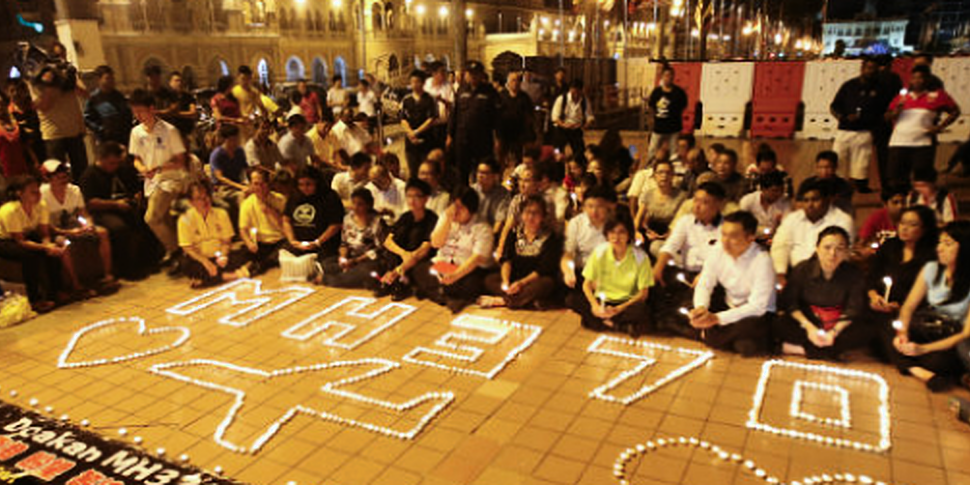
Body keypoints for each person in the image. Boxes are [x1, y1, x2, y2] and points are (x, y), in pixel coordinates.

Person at [891, 221, 970, 392]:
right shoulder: (932, 269)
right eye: (940, 242)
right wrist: (902, 334)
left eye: (948, 243)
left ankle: (913, 365)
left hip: (951, 340)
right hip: (927, 327)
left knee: (940, 361)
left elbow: (965, 333)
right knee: (889, 329)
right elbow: (908, 307)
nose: (940, 248)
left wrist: (922, 349)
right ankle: (922, 373)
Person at [773, 226, 869, 360]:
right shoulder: (803, 269)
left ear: (847, 251)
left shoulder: (854, 274)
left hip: (838, 323)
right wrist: (809, 328)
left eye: (839, 248)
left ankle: (796, 349)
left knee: (864, 331)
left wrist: (834, 332)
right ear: (817, 248)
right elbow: (791, 304)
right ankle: (822, 351)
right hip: (808, 321)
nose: (832, 254)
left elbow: (853, 309)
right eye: (827, 247)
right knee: (778, 323)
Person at [690, 211, 776, 356]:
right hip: (728, 304)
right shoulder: (718, 249)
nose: (725, 241)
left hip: (754, 314)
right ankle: (719, 335)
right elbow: (705, 284)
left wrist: (717, 318)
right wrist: (701, 308)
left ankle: (711, 334)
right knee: (689, 305)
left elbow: (758, 306)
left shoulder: (762, 261)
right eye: (723, 234)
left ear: (750, 238)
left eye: (733, 236)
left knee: (749, 330)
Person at [652, 182, 726, 336]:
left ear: (719, 204)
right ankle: (674, 322)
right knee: (655, 284)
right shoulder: (686, 221)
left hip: (712, 278)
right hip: (685, 273)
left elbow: (724, 257)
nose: (698, 206)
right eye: (696, 200)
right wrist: (658, 268)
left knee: (692, 306)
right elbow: (671, 245)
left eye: (704, 202)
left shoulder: (726, 227)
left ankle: (687, 327)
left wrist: (705, 275)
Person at [129, 89, 189, 272]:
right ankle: (183, 255)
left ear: (152, 108)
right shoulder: (136, 132)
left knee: (152, 217)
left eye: (141, 111)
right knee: (164, 219)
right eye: (135, 111)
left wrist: (159, 168)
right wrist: (143, 169)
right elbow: (136, 159)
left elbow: (180, 161)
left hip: (172, 179)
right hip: (151, 182)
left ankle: (176, 251)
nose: (138, 115)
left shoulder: (169, 130)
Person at [870, 206, 939, 361]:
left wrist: (900, 307)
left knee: (893, 331)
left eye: (912, 224)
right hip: (881, 306)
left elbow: (928, 295)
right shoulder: (889, 246)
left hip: (913, 311)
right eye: (902, 223)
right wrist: (874, 297)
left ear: (925, 228)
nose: (904, 228)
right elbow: (872, 277)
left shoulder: (931, 255)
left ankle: (906, 362)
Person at [79, 142, 157, 279]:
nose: (115, 166)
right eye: (111, 163)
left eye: (117, 163)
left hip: (125, 206)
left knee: (147, 218)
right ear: (101, 159)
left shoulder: (121, 169)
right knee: (119, 229)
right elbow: (90, 203)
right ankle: (126, 268)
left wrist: (137, 196)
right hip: (103, 212)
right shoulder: (89, 175)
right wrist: (115, 204)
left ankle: (150, 259)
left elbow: (135, 187)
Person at [0, 176, 78, 312]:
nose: (38, 195)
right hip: (6, 240)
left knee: (53, 251)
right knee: (29, 256)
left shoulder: (41, 205)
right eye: (33, 192)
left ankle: (56, 292)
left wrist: (48, 245)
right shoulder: (10, 210)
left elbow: (44, 231)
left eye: (38, 191)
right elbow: (20, 241)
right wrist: (44, 247)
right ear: (20, 193)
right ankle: (35, 299)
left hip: (28, 234)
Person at [40, 160, 117, 292]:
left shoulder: (74, 190)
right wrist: (68, 233)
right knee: (64, 243)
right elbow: (46, 226)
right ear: (48, 178)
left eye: (65, 176)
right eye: (58, 177)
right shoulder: (42, 194)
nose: (63, 180)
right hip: (56, 230)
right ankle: (76, 284)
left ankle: (107, 275)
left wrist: (89, 225)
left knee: (102, 233)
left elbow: (84, 214)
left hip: (74, 225)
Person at [412, 188, 493, 313]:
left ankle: (439, 293)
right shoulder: (447, 217)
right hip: (443, 265)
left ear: (471, 209)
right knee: (419, 270)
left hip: (465, 269)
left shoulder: (483, 228)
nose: (455, 211)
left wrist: (455, 276)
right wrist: (448, 220)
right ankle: (446, 295)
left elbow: (476, 259)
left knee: (471, 284)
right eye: (453, 206)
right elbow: (435, 243)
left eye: (460, 208)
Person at [573, 211, 653, 335]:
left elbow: (643, 294)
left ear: (629, 234)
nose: (616, 237)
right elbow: (586, 285)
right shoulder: (600, 252)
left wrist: (619, 308)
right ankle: (617, 325)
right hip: (602, 301)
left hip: (625, 303)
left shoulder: (640, 257)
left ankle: (603, 322)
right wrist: (595, 306)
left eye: (621, 232)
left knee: (642, 309)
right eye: (612, 232)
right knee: (572, 300)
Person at [480, 195, 562, 310]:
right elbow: (506, 260)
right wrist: (506, 281)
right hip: (514, 277)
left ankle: (504, 300)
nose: (531, 217)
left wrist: (521, 283)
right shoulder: (514, 233)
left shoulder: (550, 237)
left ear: (543, 216)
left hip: (533, 280)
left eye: (535, 213)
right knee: (490, 280)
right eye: (527, 212)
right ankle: (526, 301)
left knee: (546, 284)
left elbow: (544, 269)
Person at [771, 180, 854, 287]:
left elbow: (839, 253)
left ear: (827, 200)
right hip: (793, 276)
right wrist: (780, 274)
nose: (810, 205)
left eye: (815, 200)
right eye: (806, 200)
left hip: (830, 277)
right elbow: (780, 246)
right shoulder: (792, 219)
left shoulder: (842, 220)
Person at [887, 65, 960, 182]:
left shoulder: (938, 95)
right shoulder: (902, 97)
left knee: (922, 177)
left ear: (927, 79)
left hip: (922, 143)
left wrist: (940, 126)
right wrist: (895, 112)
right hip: (898, 142)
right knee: (896, 177)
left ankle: (922, 199)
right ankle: (900, 198)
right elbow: (887, 116)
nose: (916, 81)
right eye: (913, 78)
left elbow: (955, 111)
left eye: (920, 78)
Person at [376, 178, 438, 301]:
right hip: (405, 256)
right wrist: (403, 253)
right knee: (389, 252)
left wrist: (400, 268)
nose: (412, 200)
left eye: (417, 196)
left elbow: (424, 250)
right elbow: (388, 241)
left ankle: (398, 282)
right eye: (409, 196)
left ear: (426, 198)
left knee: (418, 267)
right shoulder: (406, 217)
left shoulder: (432, 219)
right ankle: (394, 281)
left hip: (420, 259)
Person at [178, 181, 248, 288]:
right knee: (185, 264)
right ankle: (228, 276)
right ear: (191, 202)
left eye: (206, 196)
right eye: (199, 198)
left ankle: (207, 280)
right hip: (201, 260)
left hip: (220, 257)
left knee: (242, 254)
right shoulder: (184, 220)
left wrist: (223, 256)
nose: (205, 201)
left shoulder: (221, 213)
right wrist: (205, 262)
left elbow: (226, 241)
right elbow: (188, 248)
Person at [29, 55, 88, 181]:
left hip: (74, 131)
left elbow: (85, 93)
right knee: (57, 174)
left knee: (82, 173)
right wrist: (52, 84)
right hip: (53, 134)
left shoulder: (68, 76)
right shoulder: (36, 81)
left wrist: (70, 78)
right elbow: (44, 106)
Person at [830, 58, 882, 193]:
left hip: (865, 131)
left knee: (862, 161)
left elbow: (882, 110)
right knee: (839, 158)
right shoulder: (849, 86)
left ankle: (860, 185)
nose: (871, 71)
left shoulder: (880, 88)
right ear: (862, 68)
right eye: (868, 68)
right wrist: (843, 117)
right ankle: (838, 185)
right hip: (845, 130)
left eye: (874, 69)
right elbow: (834, 106)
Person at [321, 188, 386, 289]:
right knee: (326, 263)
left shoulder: (377, 222)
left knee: (368, 271)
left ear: (368, 205)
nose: (355, 207)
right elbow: (344, 243)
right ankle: (346, 275)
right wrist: (343, 258)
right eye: (354, 203)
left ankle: (333, 279)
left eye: (360, 204)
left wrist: (357, 261)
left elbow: (379, 250)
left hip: (368, 260)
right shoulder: (347, 219)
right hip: (351, 256)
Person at [449, 61, 500, 185]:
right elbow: (454, 114)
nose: (473, 76)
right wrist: (449, 135)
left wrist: (498, 138)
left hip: (482, 140)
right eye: (470, 74)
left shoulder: (490, 92)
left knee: (482, 172)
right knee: (462, 172)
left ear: (481, 75)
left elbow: (497, 118)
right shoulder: (461, 90)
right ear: (466, 74)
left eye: (476, 74)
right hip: (463, 139)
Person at [562, 185, 613, 301]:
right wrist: (568, 271)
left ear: (607, 207)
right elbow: (568, 254)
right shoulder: (576, 223)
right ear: (584, 206)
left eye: (599, 207)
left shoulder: (614, 223)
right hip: (583, 271)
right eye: (590, 206)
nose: (594, 211)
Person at [282, 167, 344, 262]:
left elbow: (336, 224)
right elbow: (286, 220)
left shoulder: (330, 196)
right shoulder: (295, 196)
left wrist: (317, 242)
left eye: (308, 184)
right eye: (301, 185)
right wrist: (292, 240)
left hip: (324, 245)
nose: (304, 188)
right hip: (298, 244)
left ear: (317, 182)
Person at [635, 159, 686, 257]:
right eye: (660, 172)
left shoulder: (681, 196)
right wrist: (636, 232)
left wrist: (665, 236)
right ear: (655, 175)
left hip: (671, 234)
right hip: (649, 232)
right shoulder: (648, 194)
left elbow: (681, 221)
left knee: (656, 247)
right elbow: (638, 218)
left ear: (672, 175)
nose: (664, 176)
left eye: (668, 172)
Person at [239, 170, 287, 275]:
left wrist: (270, 210)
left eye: (263, 183)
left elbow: (286, 226)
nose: (260, 187)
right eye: (256, 184)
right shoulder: (247, 204)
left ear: (268, 184)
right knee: (240, 252)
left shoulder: (280, 199)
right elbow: (243, 229)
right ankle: (261, 263)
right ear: (251, 185)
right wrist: (249, 243)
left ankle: (262, 264)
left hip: (280, 241)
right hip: (261, 244)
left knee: (287, 250)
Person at [645, 65, 688, 162]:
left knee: (674, 152)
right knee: (652, 150)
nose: (668, 78)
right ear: (662, 77)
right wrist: (651, 121)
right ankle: (650, 166)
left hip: (674, 128)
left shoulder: (679, 92)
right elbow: (651, 107)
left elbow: (683, 106)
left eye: (670, 75)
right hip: (659, 127)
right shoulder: (657, 92)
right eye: (666, 75)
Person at [401, 70, 438, 179]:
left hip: (426, 140)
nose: (414, 84)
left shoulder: (430, 99)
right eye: (412, 82)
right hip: (410, 142)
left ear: (423, 83)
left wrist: (417, 132)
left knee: (426, 170)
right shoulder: (406, 100)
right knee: (413, 171)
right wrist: (410, 133)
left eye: (417, 81)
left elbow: (431, 119)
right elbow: (403, 119)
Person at [84, 65, 132, 146]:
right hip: (105, 140)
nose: (111, 81)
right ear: (99, 80)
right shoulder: (93, 99)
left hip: (123, 138)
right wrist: (100, 129)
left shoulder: (119, 96)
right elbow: (87, 119)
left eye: (112, 78)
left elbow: (127, 114)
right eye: (107, 78)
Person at [496, 72, 536, 169]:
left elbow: (530, 116)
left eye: (518, 80)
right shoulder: (501, 96)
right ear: (508, 82)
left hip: (519, 134)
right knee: (500, 159)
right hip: (503, 133)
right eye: (513, 80)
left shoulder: (525, 97)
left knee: (518, 159)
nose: (515, 83)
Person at [551, 79, 594, 164]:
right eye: (573, 92)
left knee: (580, 152)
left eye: (577, 92)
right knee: (557, 151)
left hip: (576, 129)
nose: (575, 95)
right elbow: (554, 117)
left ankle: (579, 168)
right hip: (561, 129)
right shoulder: (561, 99)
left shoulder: (584, 100)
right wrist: (564, 125)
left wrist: (586, 124)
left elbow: (589, 116)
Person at [798, 151, 854, 215]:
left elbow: (843, 206)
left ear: (835, 167)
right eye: (820, 167)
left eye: (827, 167)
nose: (824, 171)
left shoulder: (843, 185)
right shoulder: (807, 183)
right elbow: (799, 203)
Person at [738, 171, 792, 238]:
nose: (778, 194)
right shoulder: (748, 201)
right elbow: (742, 224)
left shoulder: (784, 201)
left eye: (781, 190)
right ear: (763, 189)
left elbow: (787, 225)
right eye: (774, 191)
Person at [209, 123, 249, 209]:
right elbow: (220, 177)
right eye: (233, 139)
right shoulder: (217, 154)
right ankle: (243, 221)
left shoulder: (239, 151)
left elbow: (247, 169)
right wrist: (241, 187)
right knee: (242, 196)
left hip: (238, 185)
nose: (236, 142)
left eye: (237, 139)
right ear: (225, 140)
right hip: (222, 189)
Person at [6, 79, 44, 164]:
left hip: (42, 150)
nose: (16, 94)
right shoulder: (8, 114)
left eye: (18, 90)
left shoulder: (35, 108)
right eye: (12, 91)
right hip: (23, 157)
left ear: (25, 91)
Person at [472, 159, 511, 235]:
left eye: (485, 173)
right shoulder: (472, 190)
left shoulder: (503, 194)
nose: (480, 176)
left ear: (495, 176)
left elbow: (499, 222)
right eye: (479, 172)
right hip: (471, 232)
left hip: (489, 234)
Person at [423, 61, 454, 151]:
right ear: (434, 73)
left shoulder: (448, 86)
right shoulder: (426, 85)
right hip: (427, 125)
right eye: (442, 72)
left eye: (445, 71)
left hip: (442, 125)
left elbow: (452, 105)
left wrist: (442, 100)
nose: (444, 74)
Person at [162, 71, 199, 143]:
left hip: (186, 131)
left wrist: (175, 113)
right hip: (171, 133)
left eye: (181, 80)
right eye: (176, 81)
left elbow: (193, 113)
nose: (179, 83)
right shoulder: (167, 97)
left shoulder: (188, 97)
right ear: (170, 83)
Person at [0, 94, 30, 178]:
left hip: (22, 165)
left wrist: (35, 161)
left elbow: (25, 145)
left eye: (1, 104)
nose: (0, 107)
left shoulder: (15, 123)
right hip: (5, 169)